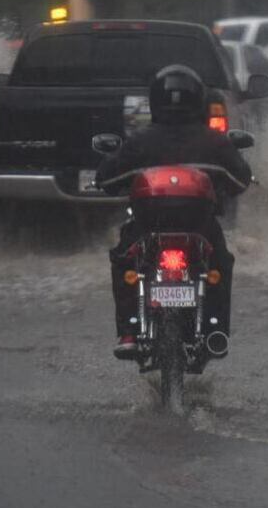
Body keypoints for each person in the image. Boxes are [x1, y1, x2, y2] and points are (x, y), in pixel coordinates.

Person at [95, 64, 252, 358]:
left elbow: (106, 179)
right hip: (200, 226)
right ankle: (215, 332)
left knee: (124, 261)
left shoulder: (139, 142)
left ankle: (129, 333)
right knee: (220, 264)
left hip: (147, 225)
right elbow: (240, 181)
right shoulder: (215, 142)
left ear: (155, 101)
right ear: (199, 101)